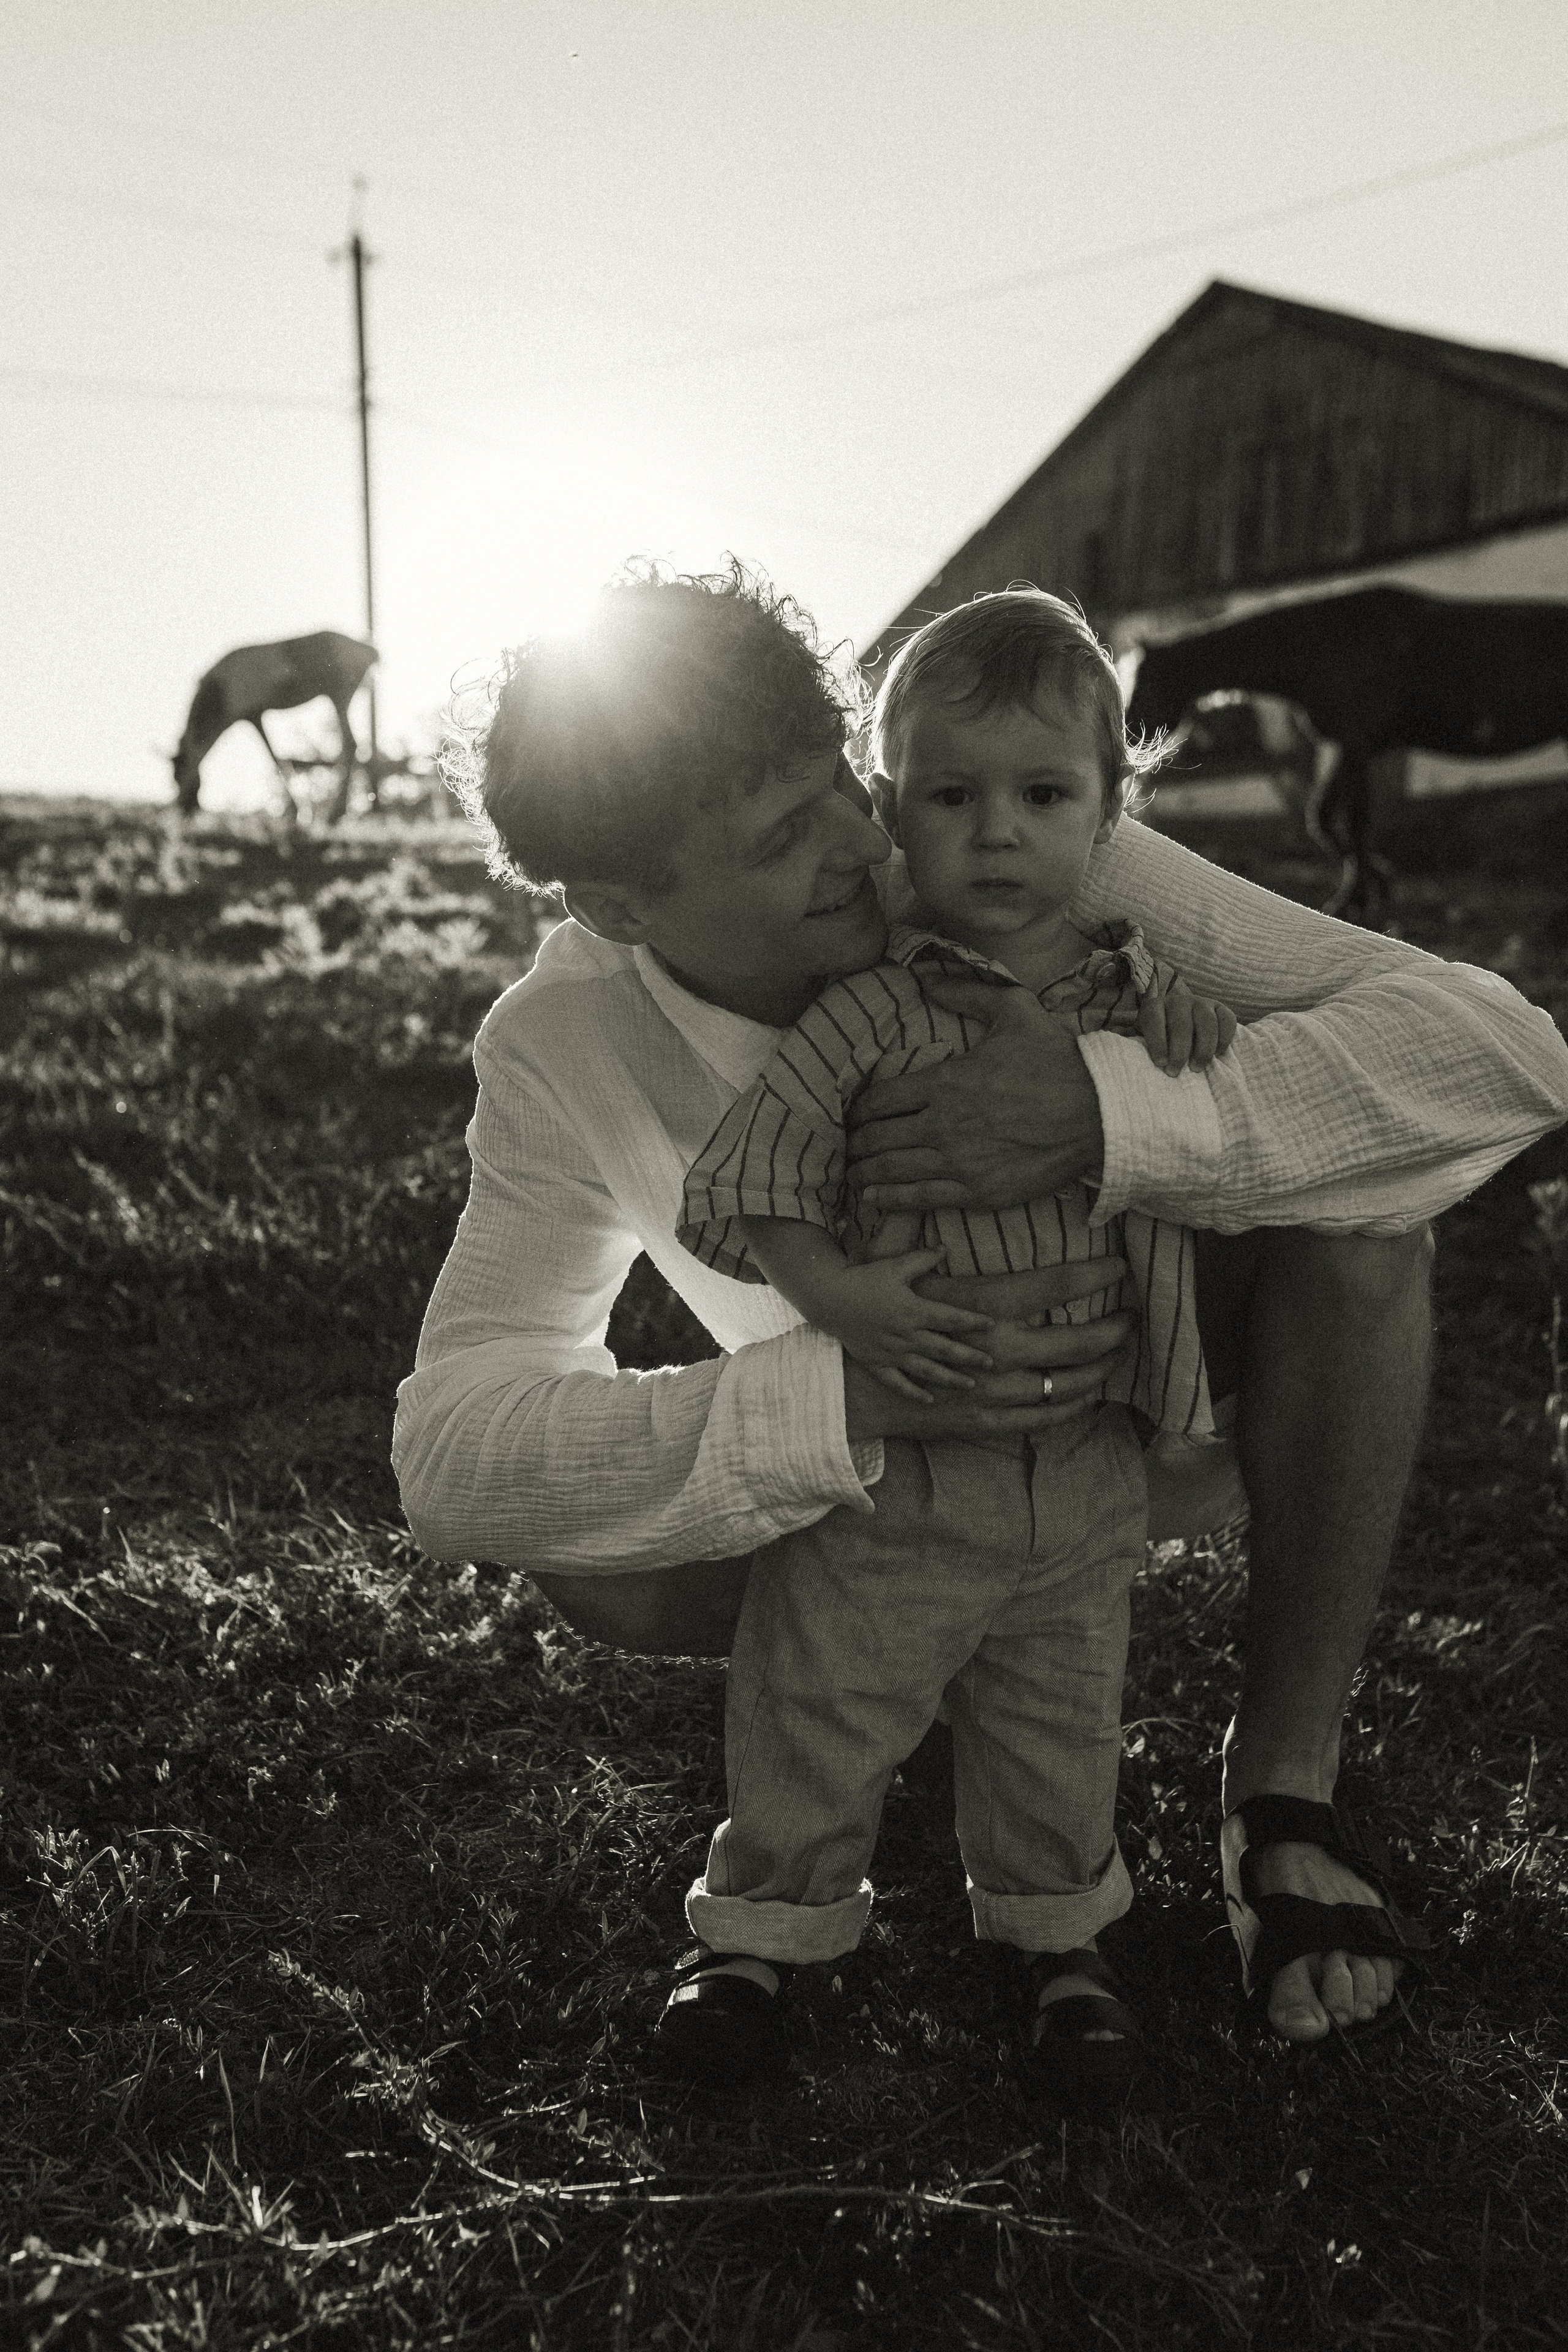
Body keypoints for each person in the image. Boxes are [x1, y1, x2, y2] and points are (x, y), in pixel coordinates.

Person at [393, 563, 1568, 2053]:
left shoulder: (988, 837)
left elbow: (1504, 1052)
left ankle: (1278, 1795)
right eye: (780, 837)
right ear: (621, 906)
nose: (859, 844)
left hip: (1134, 1429)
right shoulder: (558, 1042)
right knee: (587, 1560)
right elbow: (450, 1450)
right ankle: (941, 1683)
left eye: (841, 787)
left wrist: (1099, 1112)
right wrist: (851, 1394)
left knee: (1362, 1235)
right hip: (873, 1500)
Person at [666, 592, 1235, 2101]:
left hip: (1085, 1462)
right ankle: (756, 1942)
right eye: (950, 796)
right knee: (820, 1695)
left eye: (1042, 797)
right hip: (900, 1457)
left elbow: (1217, 1125)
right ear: (889, 811)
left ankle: (1057, 1946)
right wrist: (838, 1301)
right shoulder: (864, 1015)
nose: (996, 835)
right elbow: (750, 1184)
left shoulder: (1136, 993)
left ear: (1110, 813)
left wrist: (1175, 1048)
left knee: (1060, 1715)